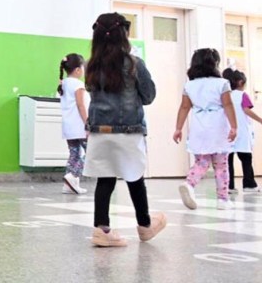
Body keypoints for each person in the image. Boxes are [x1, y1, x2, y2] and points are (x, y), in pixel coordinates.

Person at [83, 13, 165, 248]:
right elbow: (148, 96)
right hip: (129, 131)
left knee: (105, 179)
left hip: (100, 132)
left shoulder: (90, 66)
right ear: (124, 35)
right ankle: (145, 225)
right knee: (135, 177)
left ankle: (102, 229)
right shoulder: (134, 64)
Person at [174, 49, 238, 211]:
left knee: (202, 161)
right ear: (215, 64)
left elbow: (184, 107)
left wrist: (178, 128)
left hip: (199, 125)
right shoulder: (222, 83)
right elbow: (228, 105)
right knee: (221, 164)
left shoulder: (189, 85)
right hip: (218, 126)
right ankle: (222, 200)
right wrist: (234, 126)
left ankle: (189, 183)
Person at [223, 68, 262, 194]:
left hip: (228, 131)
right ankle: (249, 185)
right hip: (242, 132)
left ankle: (229, 186)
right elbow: (246, 110)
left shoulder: (225, 95)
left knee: (228, 160)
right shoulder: (242, 95)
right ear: (240, 82)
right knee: (246, 158)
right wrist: (260, 120)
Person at [58, 53, 89, 195]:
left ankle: (69, 184)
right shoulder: (78, 84)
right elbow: (80, 105)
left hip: (68, 126)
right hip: (80, 125)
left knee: (74, 154)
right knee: (90, 153)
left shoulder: (63, 83)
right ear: (77, 70)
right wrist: (87, 123)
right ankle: (73, 175)